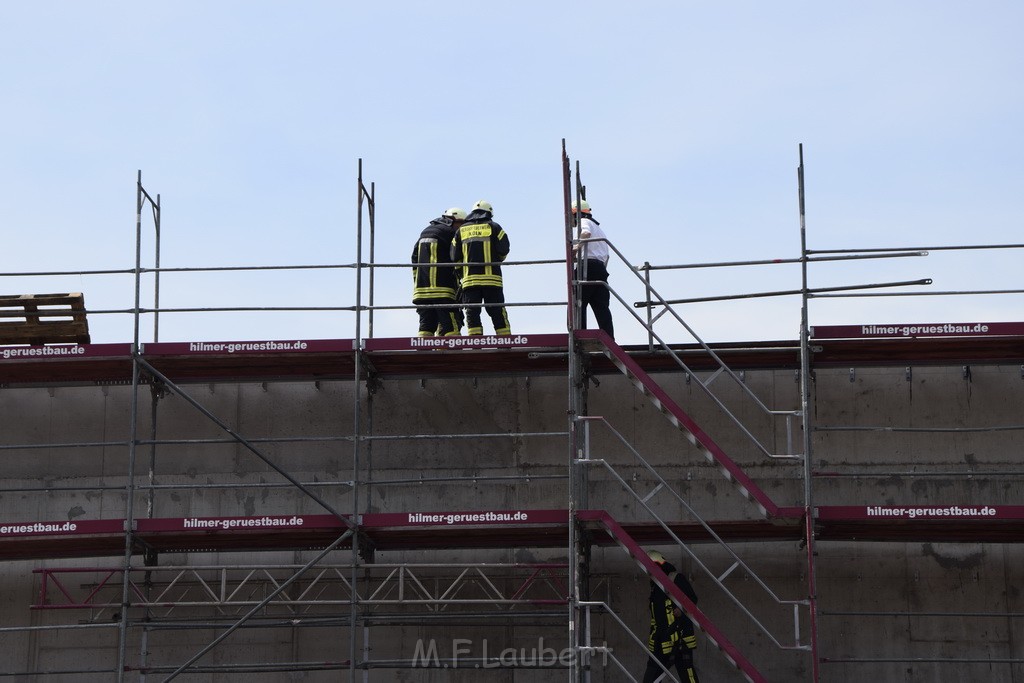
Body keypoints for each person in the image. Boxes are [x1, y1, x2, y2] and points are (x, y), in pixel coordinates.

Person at [451, 200, 511, 335]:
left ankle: (475, 342)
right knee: (497, 311)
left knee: (472, 312)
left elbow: (454, 256)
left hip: (470, 281)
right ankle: (505, 341)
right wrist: (497, 261)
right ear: (489, 213)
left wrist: (462, 272)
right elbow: (504, 249)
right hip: (492, 279)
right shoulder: (495, 227)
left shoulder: (461, 231)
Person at [643, 549, 700, 683]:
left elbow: (692, 599)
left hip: (678, 639)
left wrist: (681, 609)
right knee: (651, 676)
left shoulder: (676, 578)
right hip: (660, 638)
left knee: (687, 674)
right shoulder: (655, 585)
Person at [412, 207, 466, 337]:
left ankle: (424, 353)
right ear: (453, 220)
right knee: (451, 327)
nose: (461, 229)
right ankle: (453, 354)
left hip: (422, 291)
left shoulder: (424, 232)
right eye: (461, 225)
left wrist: (417, 282)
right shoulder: (449, 233)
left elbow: (414, 259)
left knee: (426, 327)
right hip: (443, 290)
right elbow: (457, 256)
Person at [572, 199, 614, 339]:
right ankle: (609, 338)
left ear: (575, 214)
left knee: (577, 303)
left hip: (587, 267)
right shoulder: (599, 229)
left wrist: (576, 247)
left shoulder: (584, 221)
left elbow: (585, 233)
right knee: (601, 306)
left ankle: (580, 335)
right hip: (600, 269)